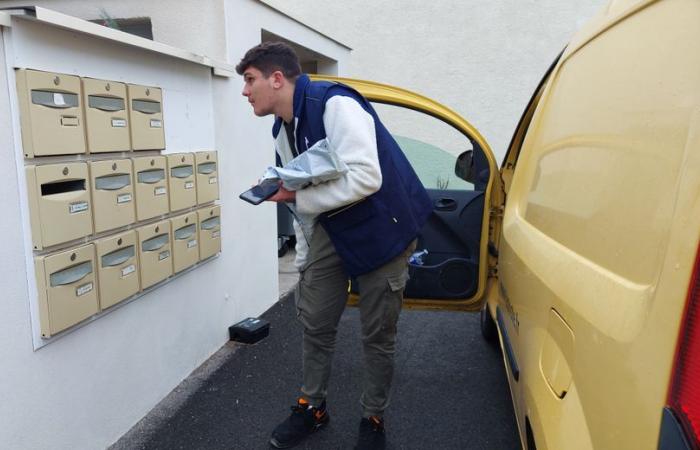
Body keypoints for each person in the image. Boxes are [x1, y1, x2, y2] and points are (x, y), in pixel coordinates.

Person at [236, 41, 432, 450]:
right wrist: (306, 259)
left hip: (385, 229)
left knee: (378, 333)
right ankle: (313, 407)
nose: (244, 90)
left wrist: (293, 197)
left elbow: (366, 179)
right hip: (331, 226)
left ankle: (373, 417)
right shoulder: (282, 129)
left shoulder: (335, 104)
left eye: (250, 80)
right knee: (315, 322)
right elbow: (305, 193)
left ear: (276, 78)